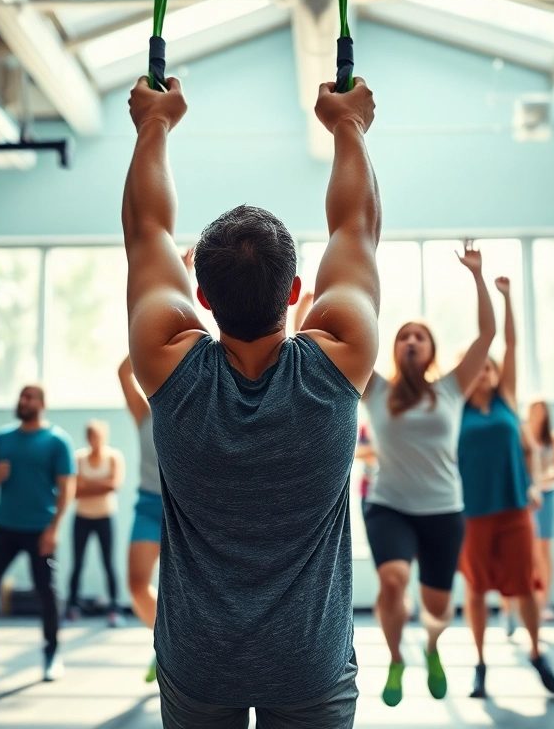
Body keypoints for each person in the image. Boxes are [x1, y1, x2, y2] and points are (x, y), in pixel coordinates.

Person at [122, 73, 380, 727]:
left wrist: (155, 123)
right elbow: (357, 227)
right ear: (296, 290)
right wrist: (347, 125)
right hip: (309, 662)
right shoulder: (340, 356)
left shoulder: (165, 361)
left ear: (201, 297)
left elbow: (147, 231)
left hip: (200, 664)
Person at [364, 242, 494, 708]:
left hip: (443, 510)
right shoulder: (374, 388)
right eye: (404, 336)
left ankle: (432, 646)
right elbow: (334, 343)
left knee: (438, 609)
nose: (412, 341)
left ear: (431, 348)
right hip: (389, 505)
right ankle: (397, 658)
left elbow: (486, 336)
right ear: (395, 349)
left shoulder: (454, 389)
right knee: (393, 582)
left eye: (420, 336)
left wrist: (477, 276)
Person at [458, 275, 554, 699]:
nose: (484, 371)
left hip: (514, 508)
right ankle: (480, 663)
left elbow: (512, 345)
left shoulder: (506, 403)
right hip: (472, 513)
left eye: (489, 366)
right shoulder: (455, 409)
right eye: (476, 365)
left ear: (496, 372)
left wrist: (506, 297)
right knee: (477, 590)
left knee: (526, 587)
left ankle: (537, 652)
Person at [0, 385, 76, 684]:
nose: (21, 401)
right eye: (20, 397)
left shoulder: (56, 441)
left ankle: (52, 654)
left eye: (28, 397)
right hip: (4, 526)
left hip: (40, 529)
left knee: (46, 593)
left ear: (41, 403)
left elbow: (67, 488)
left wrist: (55, 529)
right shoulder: (2, 438)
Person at [119, 357, 163, 683]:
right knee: (137, 586)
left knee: (183, 590)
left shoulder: (192, 407)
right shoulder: (144, 414)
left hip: (188, 510)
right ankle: (165, 640)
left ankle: (176, 648)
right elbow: (124, 372)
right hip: (149, 505)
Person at [66, 420, 124, 626]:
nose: (95, 440)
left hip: (105, 517)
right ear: (87, 438)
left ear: (104, 437)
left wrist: (87, 485)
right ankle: (71, 607)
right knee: (77, 563)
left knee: (108, 563)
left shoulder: (113, 457)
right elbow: (74, 489)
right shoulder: (79, 458)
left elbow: (113, 485)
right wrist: (99, 485)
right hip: (82, 517)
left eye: (98, 436)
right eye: (92, 436)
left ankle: (114, 609)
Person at [524, 397, 554, 623]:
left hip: (547, 496)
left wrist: (541, 479)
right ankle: (523, 602)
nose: (538, 413)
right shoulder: (522, 435)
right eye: (534, 408)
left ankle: (544, 602)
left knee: (544, 549)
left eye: (542, 409)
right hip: (526, 497)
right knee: (526, 550)